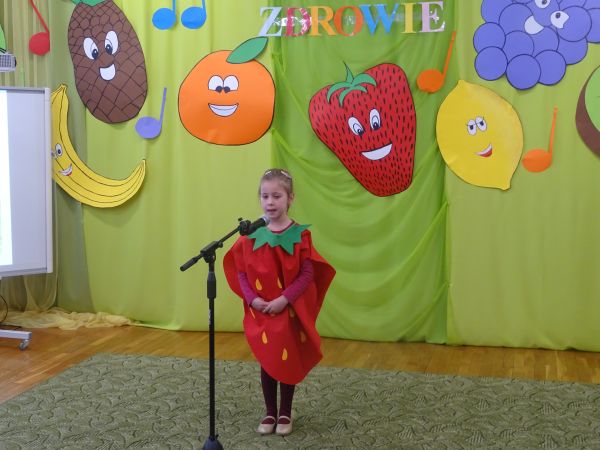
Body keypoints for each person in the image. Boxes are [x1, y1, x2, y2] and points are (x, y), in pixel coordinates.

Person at [223, 168, 335, 436]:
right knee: (268, 360)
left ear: (290, 198)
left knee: (287, 358)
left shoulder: (299, 235)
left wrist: (285, 299)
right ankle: (270, 411)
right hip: (262, 309)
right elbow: (241, 270)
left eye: (277, 196)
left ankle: (285, 411)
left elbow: (307, 273)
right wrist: (252, 299)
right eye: (265, 196)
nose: (270, 202)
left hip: (287, 310)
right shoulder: (251, 234)